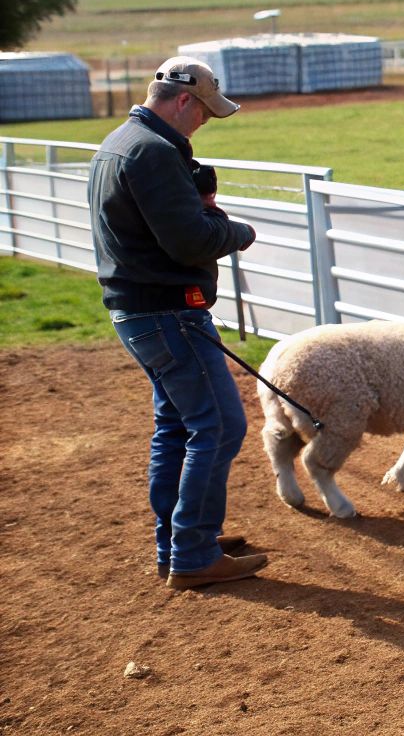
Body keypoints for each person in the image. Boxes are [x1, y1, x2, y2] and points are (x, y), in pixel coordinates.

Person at [89, 57, 266, 589]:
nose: (204, 124)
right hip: (170, 312)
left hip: (140, 312)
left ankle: (179, 542)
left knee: (178, 427)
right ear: (184, 100)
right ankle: (191, 551)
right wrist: (235, 230)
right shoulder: (153, 153)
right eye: (205, 113)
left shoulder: (119, 143)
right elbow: (189, 241)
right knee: (219, 425)